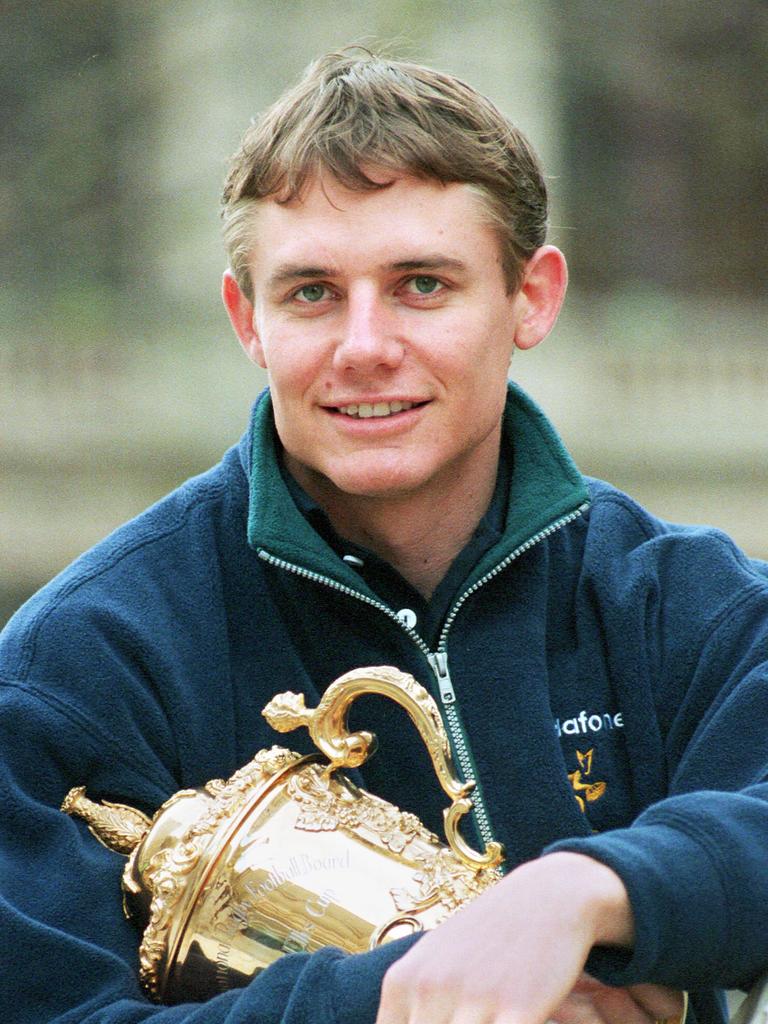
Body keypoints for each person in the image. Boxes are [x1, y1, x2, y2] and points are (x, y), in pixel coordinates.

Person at [1, 49, 767, 1024]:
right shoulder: (77, 664)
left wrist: (580, 894)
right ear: (249, 318)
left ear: (531, 297)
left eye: (421, 285)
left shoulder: (689, 601)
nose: (364, 346)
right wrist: (405, 998)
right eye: (312, 292)